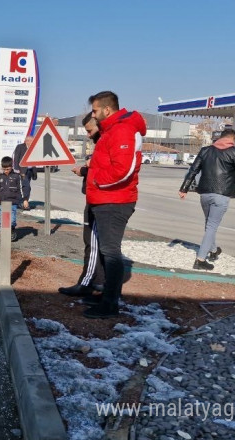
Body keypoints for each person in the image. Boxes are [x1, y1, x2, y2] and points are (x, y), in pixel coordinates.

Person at [82, 91, 146, 319]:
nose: (93, 114)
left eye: (96, 110)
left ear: (107, 110)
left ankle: (110, 305)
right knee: (105, 250)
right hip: (105, 199)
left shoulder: (122, 130)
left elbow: (123, 169)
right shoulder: (112, 130)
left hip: (114, 201)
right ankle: (105, 296)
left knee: (111, 252)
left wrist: (97, 180)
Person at [179, 128, 235, 271]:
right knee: (212, 226)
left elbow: (193, 170)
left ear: (220, 137)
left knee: (209, 225)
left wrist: (184, 188)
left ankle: (213, 251)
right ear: (233, 138)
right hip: (222, 194)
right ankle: (200, 260)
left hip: (205, 194)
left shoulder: (206, 150)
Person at [59, 113, 105, 299]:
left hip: (99, 200)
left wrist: (85, 169)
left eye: (89, 130)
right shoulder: (104, 142)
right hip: (96, 197)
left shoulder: (105, 142)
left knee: (93, 243)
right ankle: (99, 283)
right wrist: (85, 169)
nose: (87, 135)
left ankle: (87, 283)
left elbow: (103, 170)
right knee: (97, 244)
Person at [0, 156, 23, 241]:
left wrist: (22, 199)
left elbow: (20, 188)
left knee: (12, 220)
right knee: (4, 220)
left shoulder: (16, 176)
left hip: (13, 202)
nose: (6, 171)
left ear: (12, 167)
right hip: (2, 202)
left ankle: (12, 229)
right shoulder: (0, 177)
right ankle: (5, 235)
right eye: (4, 169)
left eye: (7, 169)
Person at [12, 136, 37, 210]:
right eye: (32, 141)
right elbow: (16, 158)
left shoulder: (33, 148)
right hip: (22, 171)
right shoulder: (20, 147)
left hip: (30, 170)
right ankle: (24, 202)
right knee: (26, 187)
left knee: (26, 186)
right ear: (27, 141)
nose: (33, 143)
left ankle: (23, 202)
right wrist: (16, 169)